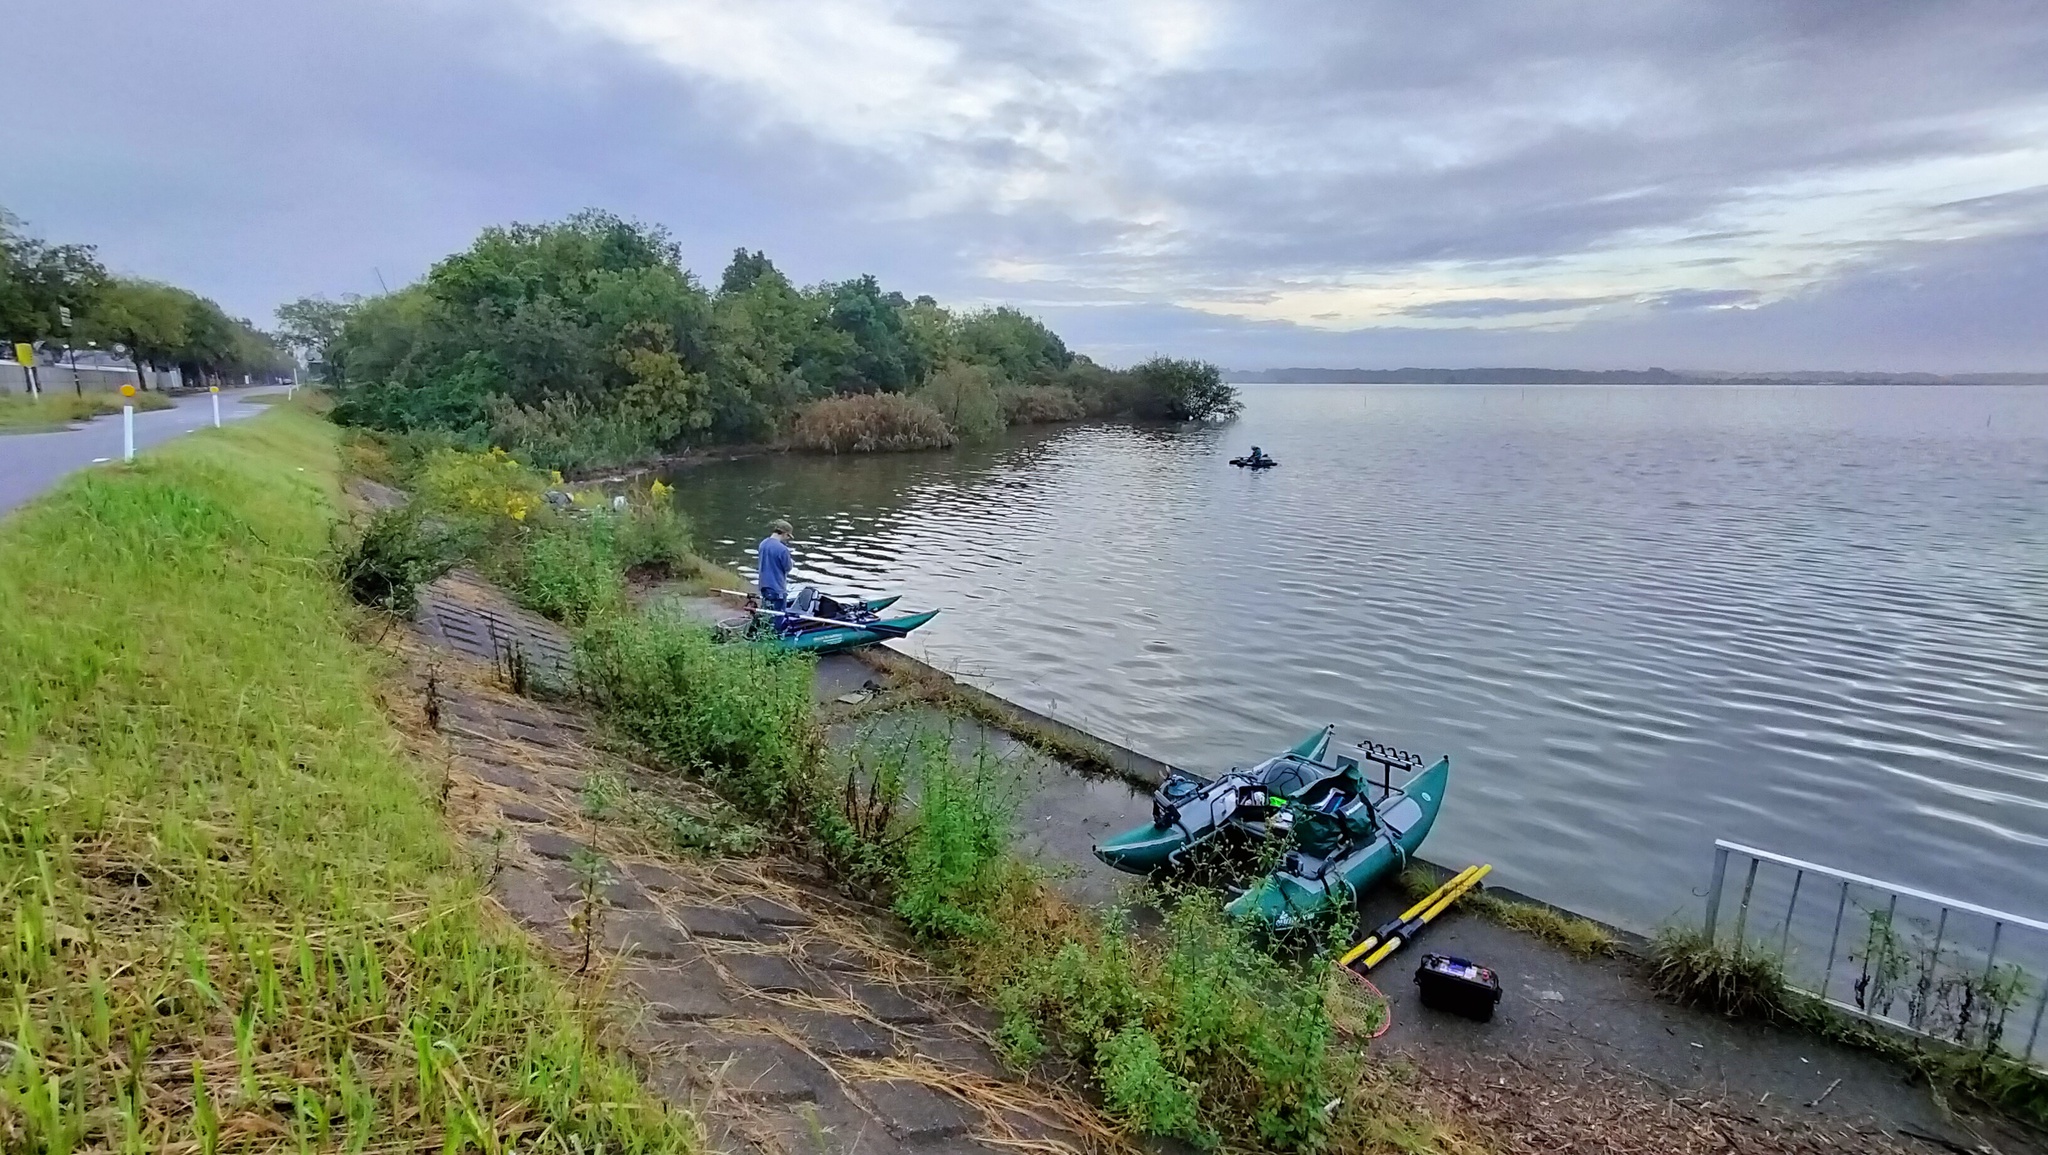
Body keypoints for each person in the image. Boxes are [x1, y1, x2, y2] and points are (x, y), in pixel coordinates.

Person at [757, 518, 795, 610]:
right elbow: (787, 567)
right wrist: (792, 562)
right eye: (788, 536)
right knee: (778, 618)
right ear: (784, 533)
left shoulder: (763, 544)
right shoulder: (783, 549)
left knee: (766, 614)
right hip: (777, 588)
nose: (788, 539)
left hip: (764, 586)